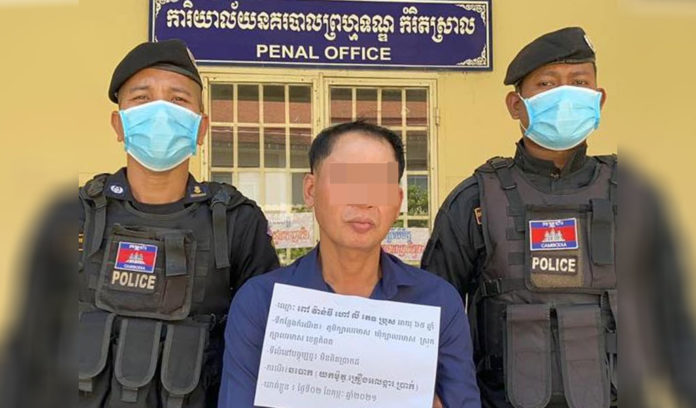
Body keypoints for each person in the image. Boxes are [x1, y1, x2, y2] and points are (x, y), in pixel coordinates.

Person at [218, 121, 481, 407]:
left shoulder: (438, 302)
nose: (364, 200)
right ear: (310, 190)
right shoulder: (260, 303)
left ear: (397, 201)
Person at [421, 27, 619, 408]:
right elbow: (430, 317)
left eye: (579, 83)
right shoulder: (474, 201)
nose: (564, 96)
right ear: (516, 105)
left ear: (599, 98)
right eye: (547, 84)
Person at [75, 39, 279, 407]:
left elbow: (266, 345)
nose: (160, 113)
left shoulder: (236, 220)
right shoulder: (76, 213)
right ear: (119, 124)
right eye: (142, 98)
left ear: (201, 128)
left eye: (178, 100)